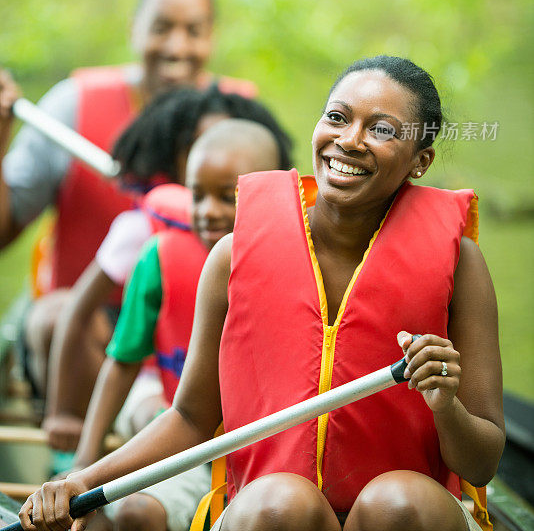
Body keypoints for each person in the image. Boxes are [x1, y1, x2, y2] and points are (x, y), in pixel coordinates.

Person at [19, 56, 505, 531]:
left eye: (381, 130)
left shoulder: (460, 264)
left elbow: (481, 463)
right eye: (337, 117)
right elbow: (190, 417)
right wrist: (81, 479)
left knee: (399, 501)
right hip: (270, 514)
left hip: (406, 518)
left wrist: (447, 404)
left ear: (421, 162)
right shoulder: (233, 255)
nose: (349, 141)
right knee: (279, 500)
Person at [0, 0, 256, 399]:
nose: (177, 47)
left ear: (211, 39)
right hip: (87, 328)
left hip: (192, 332)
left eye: (193, 31)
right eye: (161, 28)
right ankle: (78, 446)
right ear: (133, 30)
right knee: (54, 317)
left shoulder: (239, 118)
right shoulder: (71, 105)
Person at [43, 86, 293, 453]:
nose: (209, 210)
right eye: (201, 144)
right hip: (162, 391)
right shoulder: (153, 244)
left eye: (227, 196)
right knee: (158, 419)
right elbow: (90, 325)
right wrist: (62, 415)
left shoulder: (291, 249)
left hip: (250, 417)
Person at [74, 118, 287, 531]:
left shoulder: (302, 261)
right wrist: (85, 462)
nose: (208, 212)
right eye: (197, 195)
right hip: (185, 439)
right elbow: (123, 363)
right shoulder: (160, 257)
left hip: (268, 453)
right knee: (136, 513)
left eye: (227, 197)